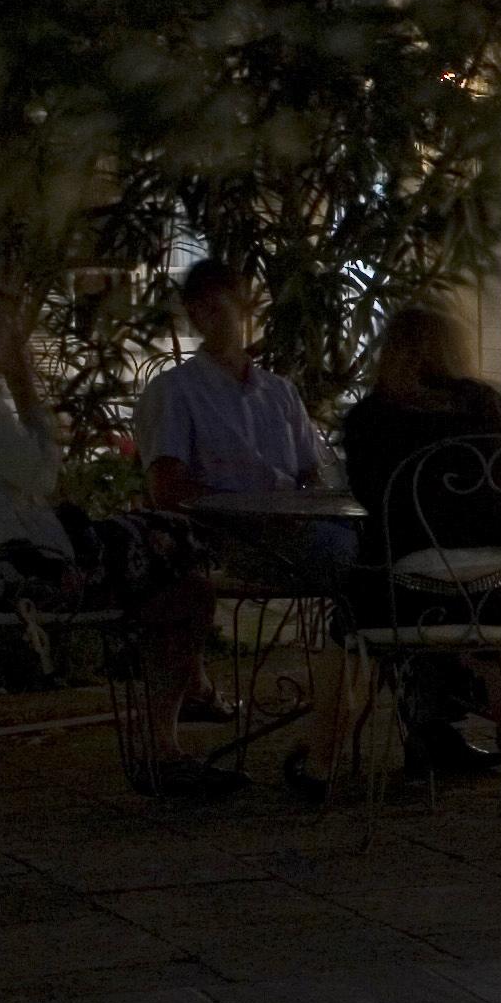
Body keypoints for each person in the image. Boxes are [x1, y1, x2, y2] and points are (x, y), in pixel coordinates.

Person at [0, 282, 215, 785]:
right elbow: (39, 476)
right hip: (10, 568)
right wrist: (28, 398)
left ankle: (176, 713)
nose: (17, 342)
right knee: (180, 547)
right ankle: (167, 732)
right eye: (8, 327)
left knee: (177, 569)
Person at [321, 299, 501, 791]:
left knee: (347, 629)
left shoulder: (371, 417)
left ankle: (321, 763)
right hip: (498, 586)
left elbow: (372, 498)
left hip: (404, 592)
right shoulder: (488, 407)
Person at [135, 256, 352, 701]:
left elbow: (312, 472)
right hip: (232, 540)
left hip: (292, 531)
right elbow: (167, 489)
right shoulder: (176, 392)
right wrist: (247, 511)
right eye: (203, 309)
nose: (213, 319)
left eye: (221, 306)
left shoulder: (278, 392)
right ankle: (352, 698)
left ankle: (368, 695)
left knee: (383, 559)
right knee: (368, 566)